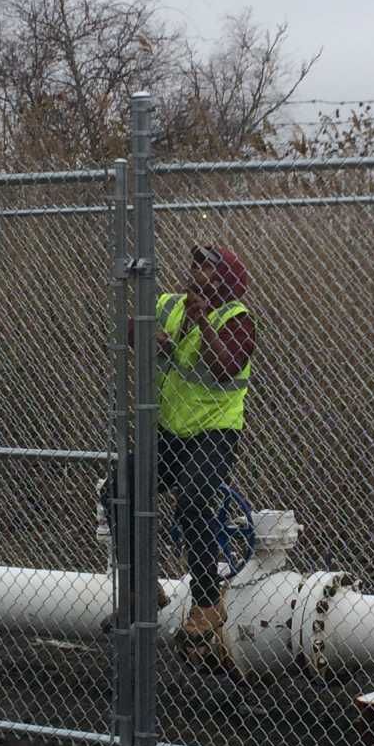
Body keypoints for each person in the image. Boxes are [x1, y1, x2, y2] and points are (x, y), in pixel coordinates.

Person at [155, 245, 254, 653]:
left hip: (215, 431)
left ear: (224, 280)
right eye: (195, 263)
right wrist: (147, 336)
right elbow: (125, 332)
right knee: (119, 491)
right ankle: (142, 586)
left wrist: (203, 324)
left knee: (193, 501)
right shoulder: (169, 305)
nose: (196, 270)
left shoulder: (237, 319)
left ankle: (208, 602)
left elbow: (226, 367)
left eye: (207, 267)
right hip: (171, 429)